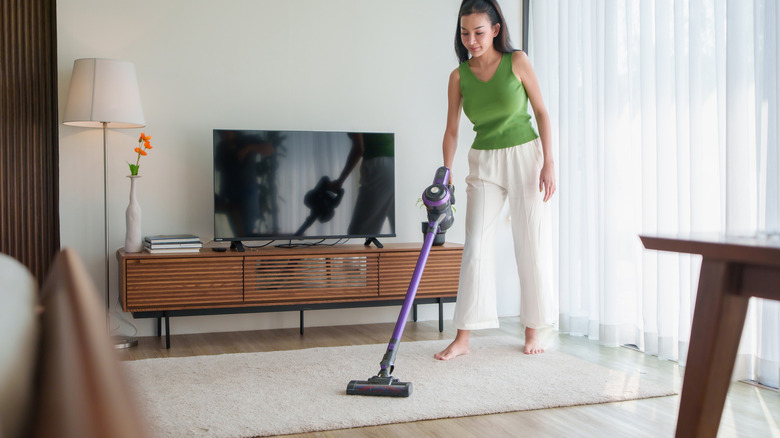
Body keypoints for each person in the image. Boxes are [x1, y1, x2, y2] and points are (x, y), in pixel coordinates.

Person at [434, 0, 556, 360]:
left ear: (496, 30)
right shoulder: (459, 77)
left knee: (529, 242)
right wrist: (446, 170)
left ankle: (533, 329)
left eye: (479, 32)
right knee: (475, 245)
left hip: (525, 156)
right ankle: (463, 338)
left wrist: (549, 162)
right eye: (465, 33)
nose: (471, 40)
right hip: (484, 161)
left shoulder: (517, 62)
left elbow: (542, 112)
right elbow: (452, 129)